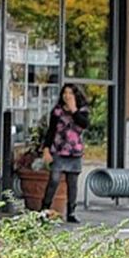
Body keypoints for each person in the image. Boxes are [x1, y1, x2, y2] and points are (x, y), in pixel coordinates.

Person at [40, 83, 90, 223]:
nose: (67, 96)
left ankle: (71, 212)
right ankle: (44, 209)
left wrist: (74, 110)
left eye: (70, 93)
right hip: (59, 150)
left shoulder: (82, 110)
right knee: (54, 180)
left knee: (72, 183)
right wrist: (46, 149)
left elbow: (84, 124)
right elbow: (51, 131)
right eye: (65, 93)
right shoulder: (57, 111)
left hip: (75, 152)